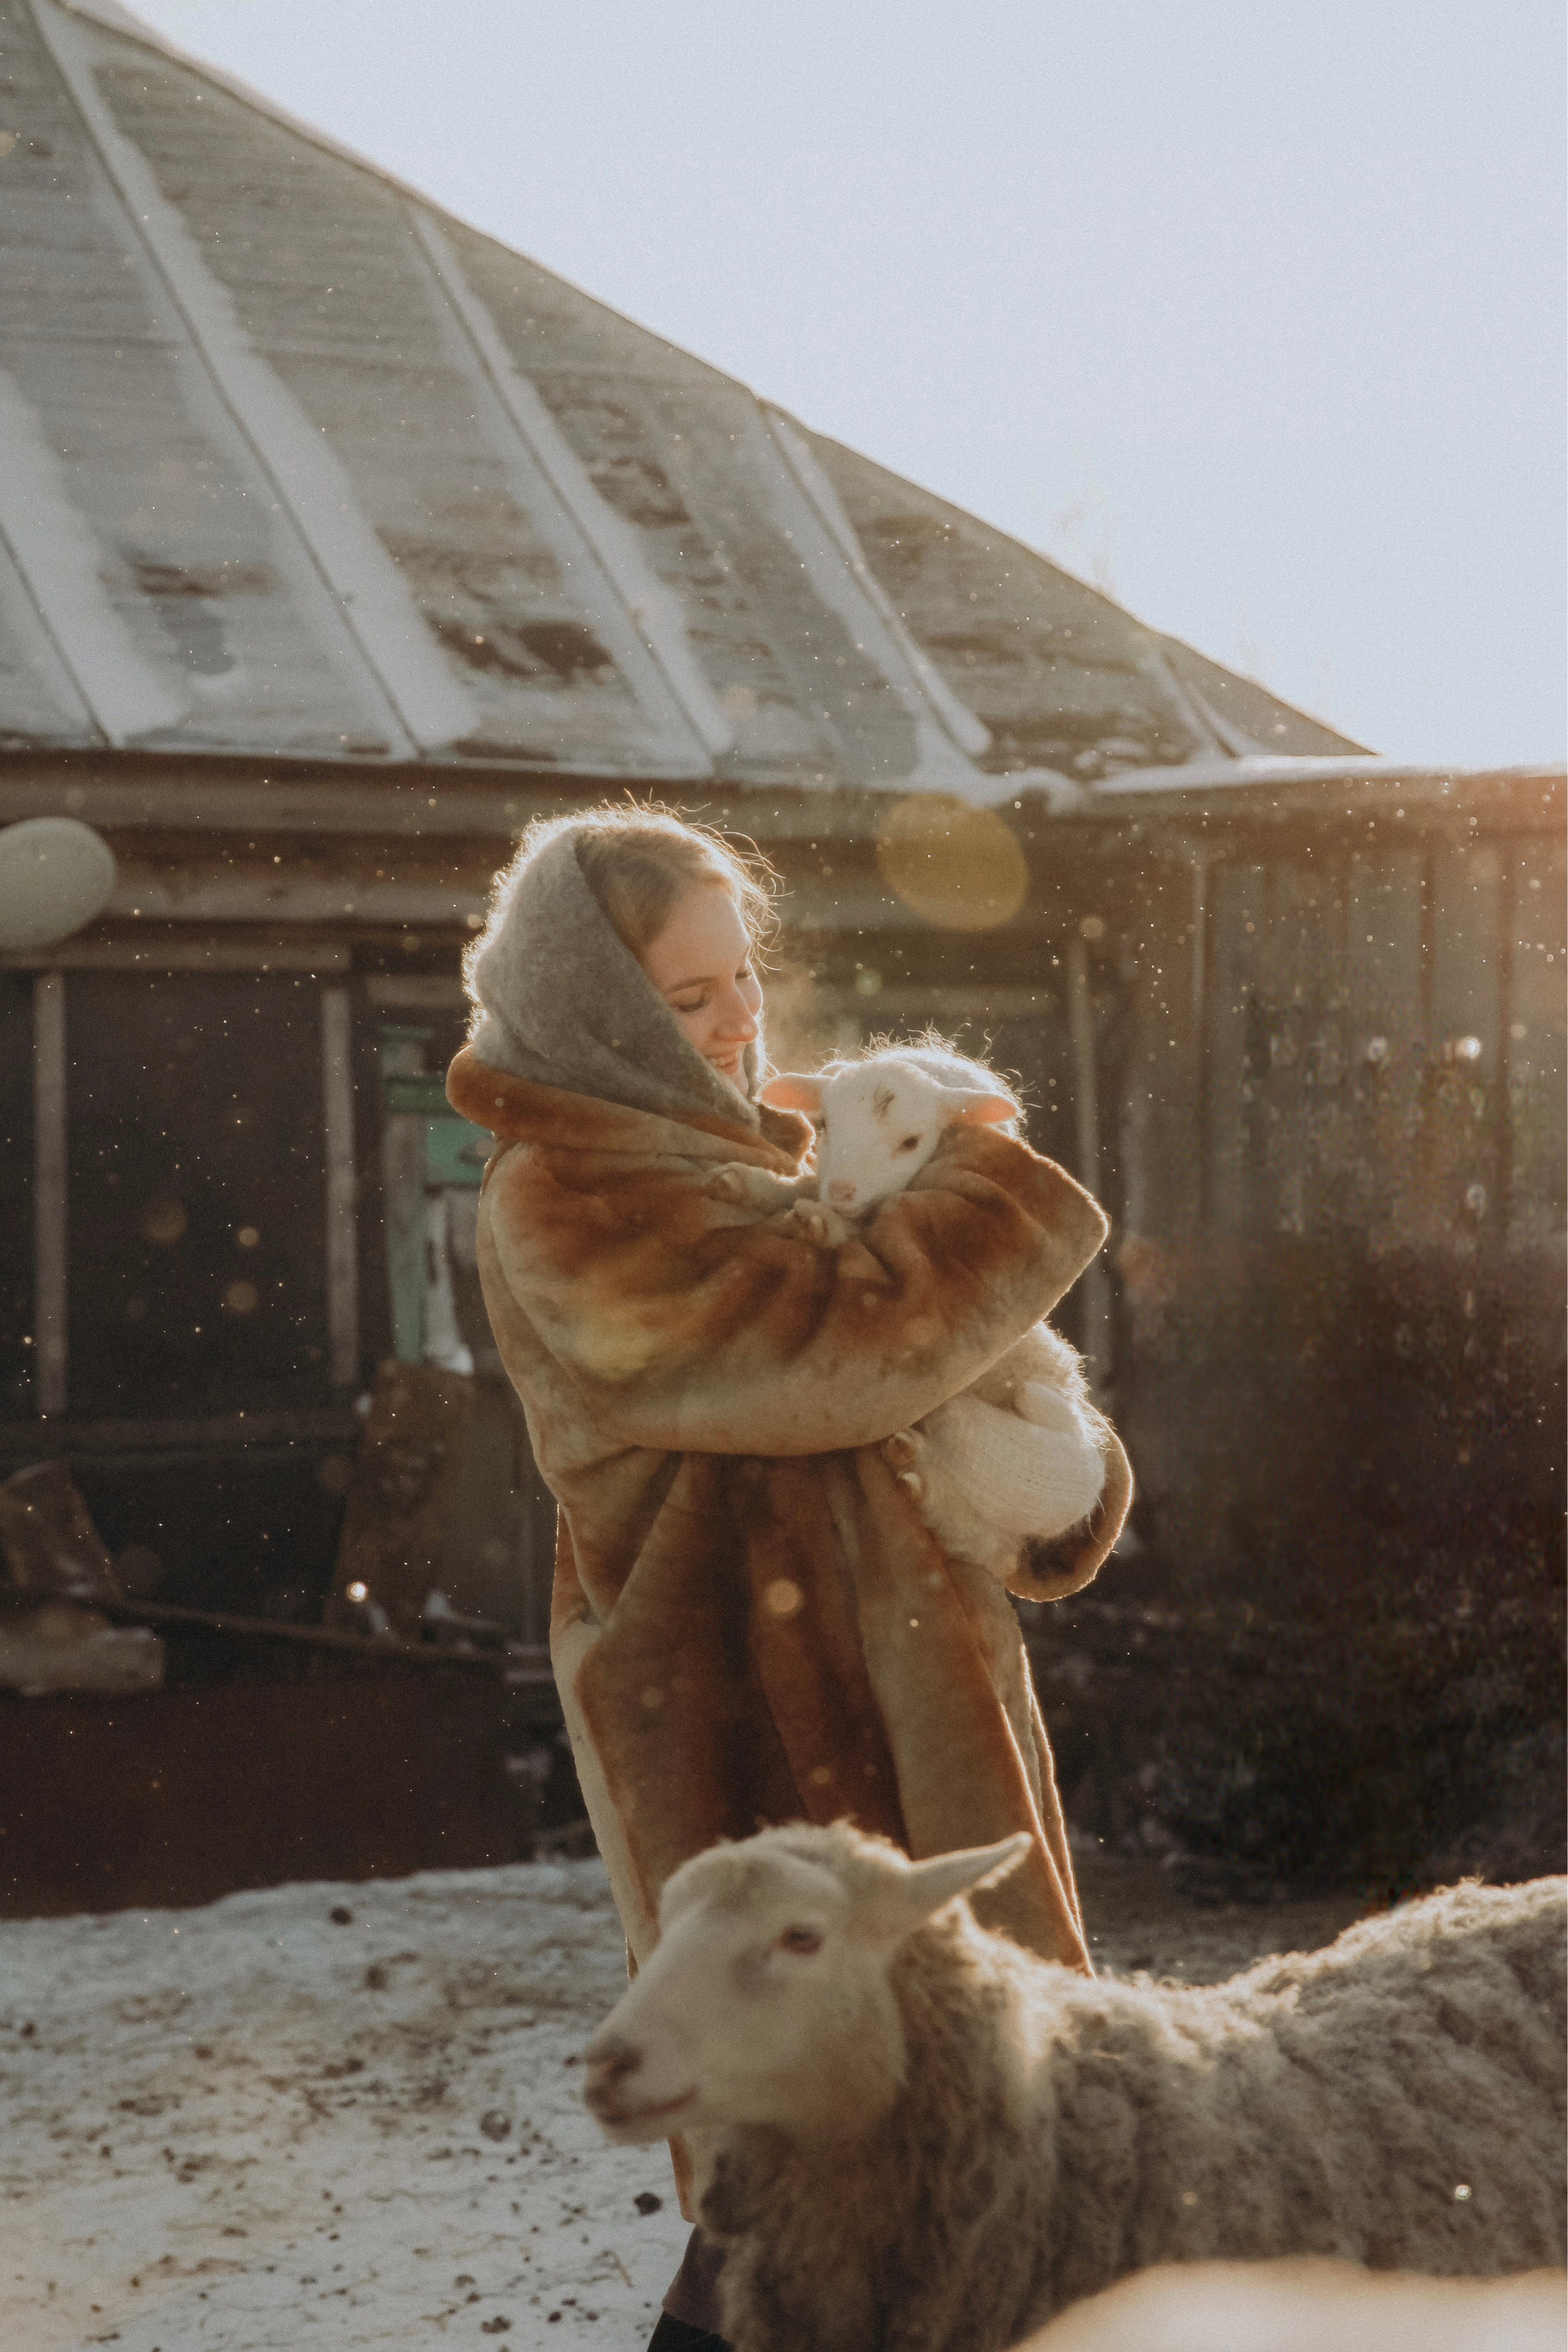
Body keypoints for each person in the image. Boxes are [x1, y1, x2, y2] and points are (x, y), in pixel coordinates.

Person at [447, 804, 1130, 2349]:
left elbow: (918, 1398)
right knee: (803, 2152)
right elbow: (827, 1352)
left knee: (965, 2122)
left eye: (740, 975)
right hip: (741, 1709)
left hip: (896, 1685)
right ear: (596, 1016)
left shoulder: (741, 1160)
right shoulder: (565, 1197)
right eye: (686, 1001)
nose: (738, 1018)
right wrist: (982, 1181)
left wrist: (1039, 1478)